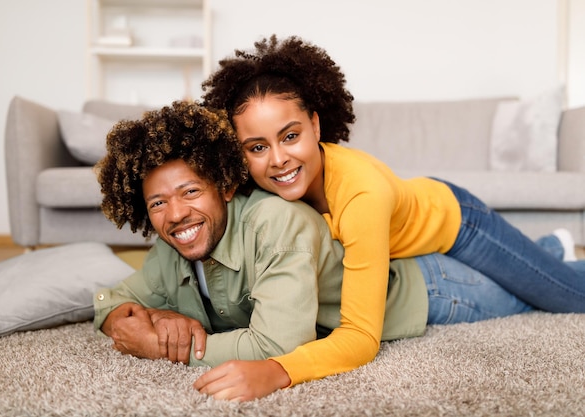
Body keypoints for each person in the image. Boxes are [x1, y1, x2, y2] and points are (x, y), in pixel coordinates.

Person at [198, 34, 585, 400]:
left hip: (457, 224)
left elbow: (362, 337)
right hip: (403, 241)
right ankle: (547, 249)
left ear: (315, 125)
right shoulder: (261, 185)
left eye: (290, 136)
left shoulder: (362, 195)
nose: (278, 159)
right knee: (535, 274)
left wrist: (277, 370)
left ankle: (549, 257)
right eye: (257, 146)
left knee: (569, 295)